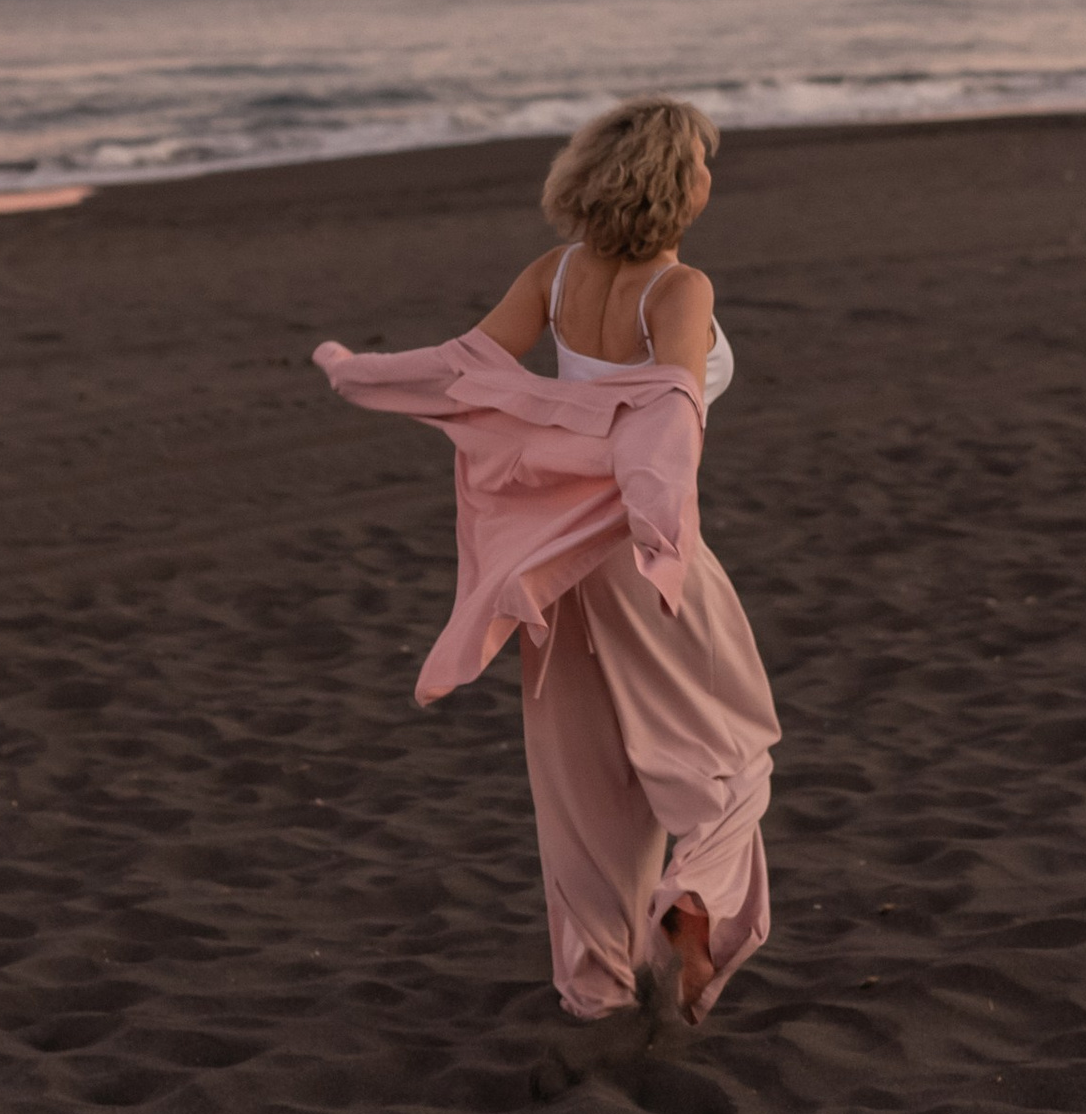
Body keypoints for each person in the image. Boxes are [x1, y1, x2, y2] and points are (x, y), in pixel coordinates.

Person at [313, 96, 776, 1027]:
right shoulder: (679, 290)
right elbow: (667, 411)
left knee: (582, 787)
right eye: (701, 163)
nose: (710, 178)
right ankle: (689, 908)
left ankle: (599, 992)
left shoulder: (557, 275)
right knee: (734, 750)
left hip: (558, 572)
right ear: (673, 182)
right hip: (643, 555)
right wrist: (655, 522)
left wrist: (360, 371)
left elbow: (461, 369)